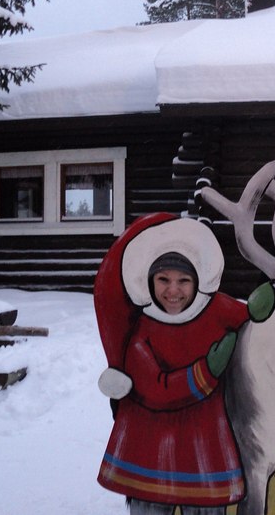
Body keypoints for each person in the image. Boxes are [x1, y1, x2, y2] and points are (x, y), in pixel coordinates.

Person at [94, 213, 249, 515]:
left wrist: (265, 312)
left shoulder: (217, 309)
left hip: (204, 446)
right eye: (163, 279)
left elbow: (254, 325)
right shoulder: (143, 330)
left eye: (183, 281)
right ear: (149, 281)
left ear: (197, 281)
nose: (173, 290)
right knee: (150, 506)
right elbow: (156, 390)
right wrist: (208, 370)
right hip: (150, 451)